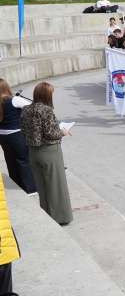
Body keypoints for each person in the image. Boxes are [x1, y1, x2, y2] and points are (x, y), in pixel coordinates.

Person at [21, 82, 73, 225]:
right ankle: (61, 217)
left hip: (33, 152)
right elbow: (50, 133)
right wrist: (63, 131)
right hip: (49, 152)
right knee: (56, 186)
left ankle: (47, 216)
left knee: (42, 186)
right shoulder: (46, 110)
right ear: (47, 95)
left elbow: (24, 130)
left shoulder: (26, 110)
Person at [0, 80, 36, 193]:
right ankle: (30, 188)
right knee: (24, 160)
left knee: (10, 160)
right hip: (16, 135)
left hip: (2, 136)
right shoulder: (14, 100)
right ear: (6, 87)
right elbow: (33, 109)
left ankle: (17, 185)